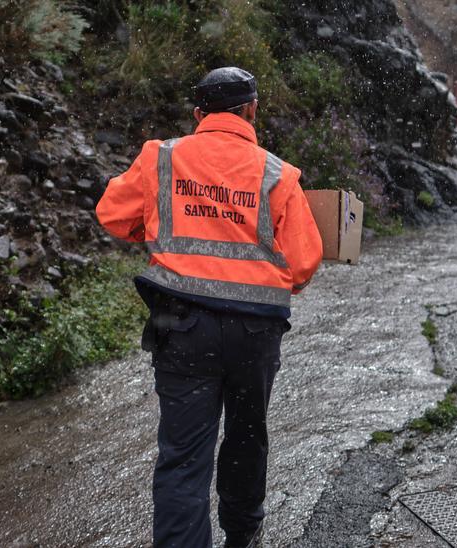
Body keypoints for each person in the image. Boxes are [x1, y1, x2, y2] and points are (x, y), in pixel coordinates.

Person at [95, 66, 323, 547]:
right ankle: (243, 536)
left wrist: (156, 233)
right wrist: (256, 280)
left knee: (183, 458)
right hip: (255, 334)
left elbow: (112, 214)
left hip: (183, 328)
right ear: (253, 110)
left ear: (198, 113)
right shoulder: (278, 174)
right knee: (245, 439)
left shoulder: (161, 157)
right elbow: (303, 264)